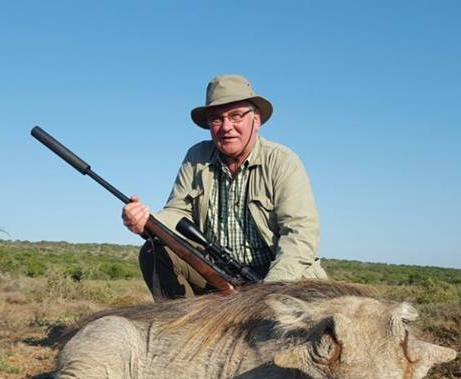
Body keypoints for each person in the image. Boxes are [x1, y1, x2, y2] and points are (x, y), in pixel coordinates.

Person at [122, 74, 327, 300]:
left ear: (256, 120)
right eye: (217, 119)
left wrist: (267, 293)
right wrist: (147, 221)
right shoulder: (196, 156)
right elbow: (177, 212)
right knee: (154, 252)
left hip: (277, 277)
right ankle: (185, 329)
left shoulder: (283, 161)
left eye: (236, 116)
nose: (226, 127)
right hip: (219, 274)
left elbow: (300, 233)